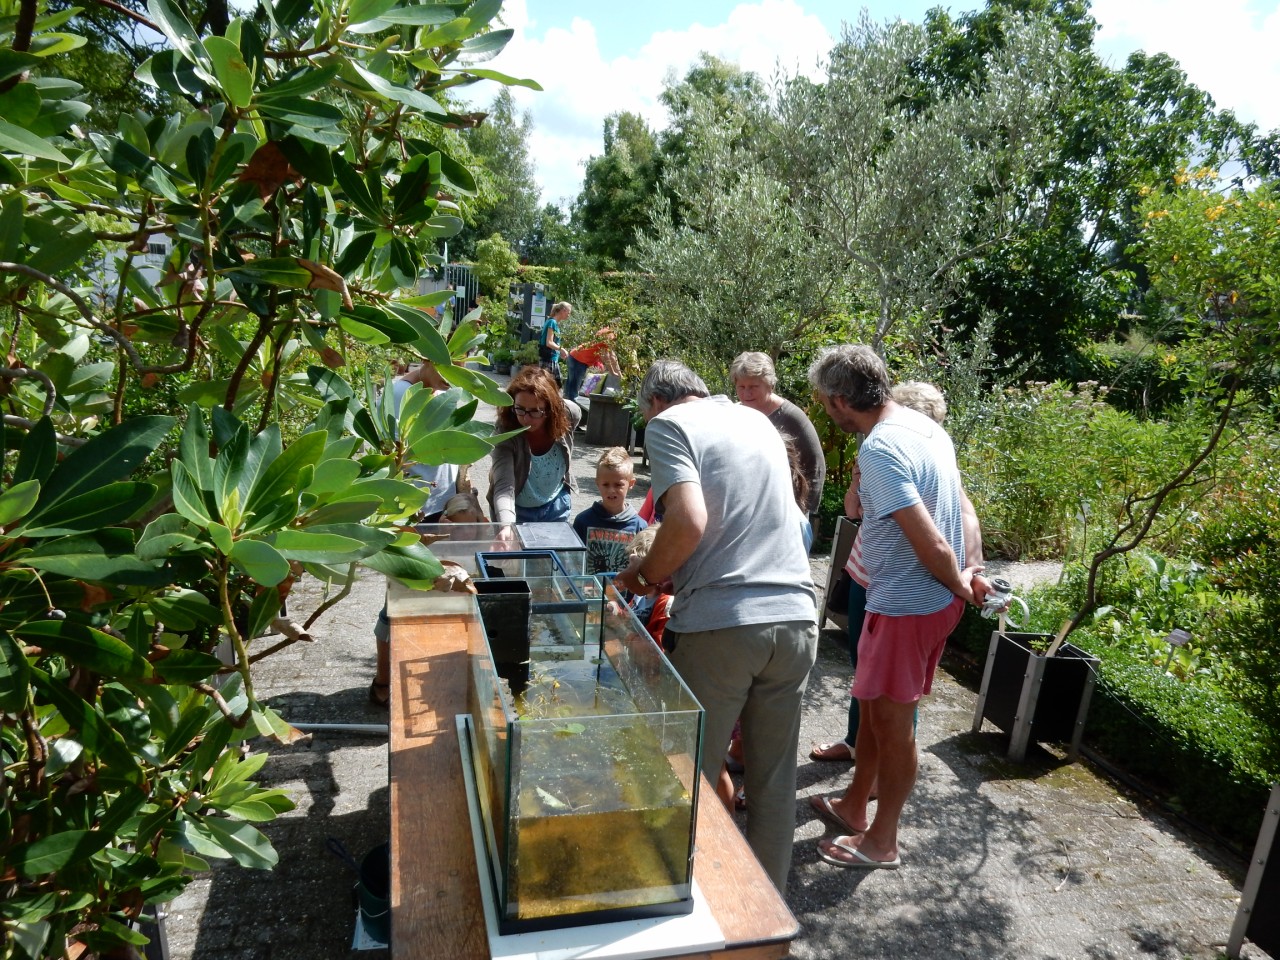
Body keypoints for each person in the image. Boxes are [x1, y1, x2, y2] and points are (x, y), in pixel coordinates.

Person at [614, 359, 818, 893]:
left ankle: (686, 901)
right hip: (796, 617)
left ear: (656, 402)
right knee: (773, 782)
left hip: (724, 625)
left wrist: (646, 575)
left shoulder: (668, 426)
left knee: (687, 774)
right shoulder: (756, 419)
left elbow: (687, 521)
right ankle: (767, 923)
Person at [806, 346, 989, 870]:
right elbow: (959, 506)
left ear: (842, 399)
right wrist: (967, 575)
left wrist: (958, 579)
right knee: (873, 710)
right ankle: (854, 806)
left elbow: (930, 542)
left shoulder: (881, 449)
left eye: (824, 402)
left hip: (909, 603)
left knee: (893, 724)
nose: (824, 411)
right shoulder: (920, 426)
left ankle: (882, 841)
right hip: (918, 599)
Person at [369, 360, 460, 707]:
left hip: (438, 509)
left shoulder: (441, 391)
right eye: (448, 372)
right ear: (428, 360)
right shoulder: (396, 394)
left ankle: (420, 675)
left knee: (431, 592)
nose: (451, 383)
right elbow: (386, 457)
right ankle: (383, 682)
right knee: (399, 597)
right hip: (409, 512)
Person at [730, 351, 826, 534]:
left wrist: (802, 511)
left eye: (753, 386)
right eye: (741, 386)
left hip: (788, 512)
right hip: (749, 512)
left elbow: (815, 465)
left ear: (770, 385)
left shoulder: (791, 417)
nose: (746, 393)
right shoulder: (736, 414)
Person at [487, 366, 581, 532]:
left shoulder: (568, 413)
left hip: (556, 505)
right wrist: (506, 526)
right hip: (517, 511)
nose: (526, 418)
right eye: (520, 409)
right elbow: (503, 487)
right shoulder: (504, 430)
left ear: (551, 410)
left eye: (535, 411)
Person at [573, 446, 647, 574]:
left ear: (631, 483)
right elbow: (573, 563)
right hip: (589, 591)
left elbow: (643, 568)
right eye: (605, 484)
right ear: (597, 483)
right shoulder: (583, 521)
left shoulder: (640, 526)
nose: (611, 490)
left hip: (624, 593)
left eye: (618, 484)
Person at [625, 525, 672, 649]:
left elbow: (659, 651)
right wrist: (617, 613)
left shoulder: (666, 604)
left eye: (638, 572)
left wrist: (628, 637)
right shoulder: (642, 593)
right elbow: (630, 616)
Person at [563, 326, 622, 400]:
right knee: (574, 387)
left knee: (570, 386)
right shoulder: (609, 336)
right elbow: (606, 356)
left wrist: (619, 374)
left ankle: (566, 405)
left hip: (574, 356)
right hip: (578, 359)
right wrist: (613, 372)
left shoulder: (607, 332)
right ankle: (571, 407)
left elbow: (612, 356)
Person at [538, 301, 570, 382]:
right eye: (568, 313)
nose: (568, 315)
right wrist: (561, 349)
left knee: (554, 386)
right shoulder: (552, 322)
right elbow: (549, 342)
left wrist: (559, 353)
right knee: (552, 386)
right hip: (549, 360)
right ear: (563, 310)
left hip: (552, 359)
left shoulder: (553, 322)